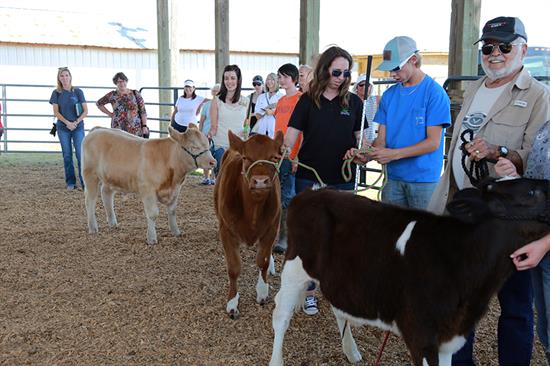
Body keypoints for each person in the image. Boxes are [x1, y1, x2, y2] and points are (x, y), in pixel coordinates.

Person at [428, 17, 550, 366]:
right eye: (488, 47)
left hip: (510, 223)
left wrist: (502, 154)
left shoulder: (539, 95)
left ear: (522, 48)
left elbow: (535, 157)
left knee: (515, 306)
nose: (495, 54)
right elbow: (453, 154)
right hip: (463, 213)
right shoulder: (476, 88)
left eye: (505, 46)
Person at [283, 46, 363, 316]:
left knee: (342, 239)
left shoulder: (354, 103)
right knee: (311, 238)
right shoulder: (307, 101)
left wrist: (358, 151)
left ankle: (339, 290)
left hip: (342, 180)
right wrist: (284, 152)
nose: (341, 77)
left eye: (346, 72)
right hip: (309, 178)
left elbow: (361, 139)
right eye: (336, 71)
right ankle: (309, 292)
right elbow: (291, 135)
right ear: (325, 69)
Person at [350, 36, 451, 210]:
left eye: (396, 68)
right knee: (391, 233)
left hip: (423, 180)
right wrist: (367, 155)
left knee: (423, 234)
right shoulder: (389, 95)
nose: (392, 74)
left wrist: (393, 154)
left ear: (413, 60)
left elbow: (433, 143)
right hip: (393, 178)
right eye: (390, 69)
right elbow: (381, 139)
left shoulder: (435, 93)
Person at [495, 119, 550, 364]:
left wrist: (545, 244)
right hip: (539, 236)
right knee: (546, 330)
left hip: (544, 243)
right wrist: (515, 176)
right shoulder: (547, 128)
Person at [272, 63, 302, 254]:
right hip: (279, 153)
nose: (281, 80)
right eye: (279, 76)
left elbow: (303, 130)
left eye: (284, 76)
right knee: (282, 194)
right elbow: (278, 129)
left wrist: (297, 155)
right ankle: (282, 234)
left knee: (289, 195)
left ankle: (286, 237)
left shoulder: (301, 99)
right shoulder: (281, 101)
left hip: (293, 153)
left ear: (293, 78)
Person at [49, 67, 88, 190]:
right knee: (67, 155)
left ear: (70, 77)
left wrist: (75, 122)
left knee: (81, 155)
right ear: (59, 78)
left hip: (78, 127)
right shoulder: (56, 93)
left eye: (66, 75)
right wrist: (67, 123)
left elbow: (86, 111)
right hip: (63, 128)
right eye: (62, 76)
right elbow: (56, 112)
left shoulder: (78, 92)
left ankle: (84, 182)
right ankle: (71, 182)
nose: (64, 78)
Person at [207, 64, 248, 177]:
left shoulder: (246, 101)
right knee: (223, 181)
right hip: (221, 146)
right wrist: (208, 135)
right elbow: (213, 126)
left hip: (239, 147)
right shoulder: (216, 101)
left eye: (232, 78)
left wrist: (246, 132)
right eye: (226, 78)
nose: (229, 81)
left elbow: (246, 125)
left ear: (238, 80)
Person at [96, 72, 148, 137]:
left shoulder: (135, 93)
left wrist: (144, 126)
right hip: (118, 128)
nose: (122, 84)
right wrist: (110, 114)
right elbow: (99, 103)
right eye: (119, 82)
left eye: (123, 81)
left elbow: (143, 111)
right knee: (119, 146)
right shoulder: (112, 95)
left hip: (135, 128)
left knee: (135, 146)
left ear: (126, 81)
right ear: (116, 83)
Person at [198, 83, 221, 185]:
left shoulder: (222, 105)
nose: (215, 92)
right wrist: (200, 133)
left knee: (215, 156)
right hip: (206, 133)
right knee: (205, 155)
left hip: (218, 134)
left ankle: (213, 177)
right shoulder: (207, 105)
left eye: (217, 91)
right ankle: (206, 177)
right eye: (214, 90)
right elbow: (202, 121)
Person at [253, 73, 284, 137]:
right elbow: (257, 116)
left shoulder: (282, 97)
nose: (269, 81)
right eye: (268, 79)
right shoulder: (261, 97)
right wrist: (262, 113)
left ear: (277, 81)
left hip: (275, 131)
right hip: (261, 131)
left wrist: (273, 112)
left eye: (272, 79)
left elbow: (284, 115)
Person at [353, 73, 379, 143]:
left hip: (370, 139)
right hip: (353, 139)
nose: (364, 87)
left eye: (367, 85)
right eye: (361, 85)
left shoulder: (375, 99)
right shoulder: (351, 100)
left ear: (371, 87)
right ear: (356, 87)